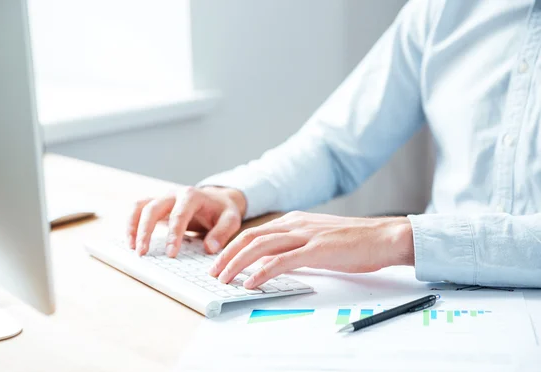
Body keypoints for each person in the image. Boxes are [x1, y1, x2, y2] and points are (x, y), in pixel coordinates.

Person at [128, 0, 541, 290]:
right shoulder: (442, 9)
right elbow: (336, 146)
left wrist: (402, 239)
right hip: (438, 295)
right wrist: (236, 195)